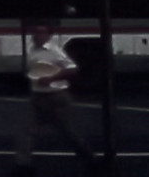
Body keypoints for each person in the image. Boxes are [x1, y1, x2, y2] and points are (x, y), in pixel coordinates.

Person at [15, 23, 95, 175]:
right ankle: (23, 166)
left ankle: (89, 158)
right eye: (35, 32)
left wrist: (52, 77)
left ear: (48, 35)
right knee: (27, 131)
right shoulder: (31, 50)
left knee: (68, 132)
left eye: (41, 32)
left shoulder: (54, 51)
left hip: (56, 97)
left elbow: (73, 68)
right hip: (38, 96)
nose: (36, 35)